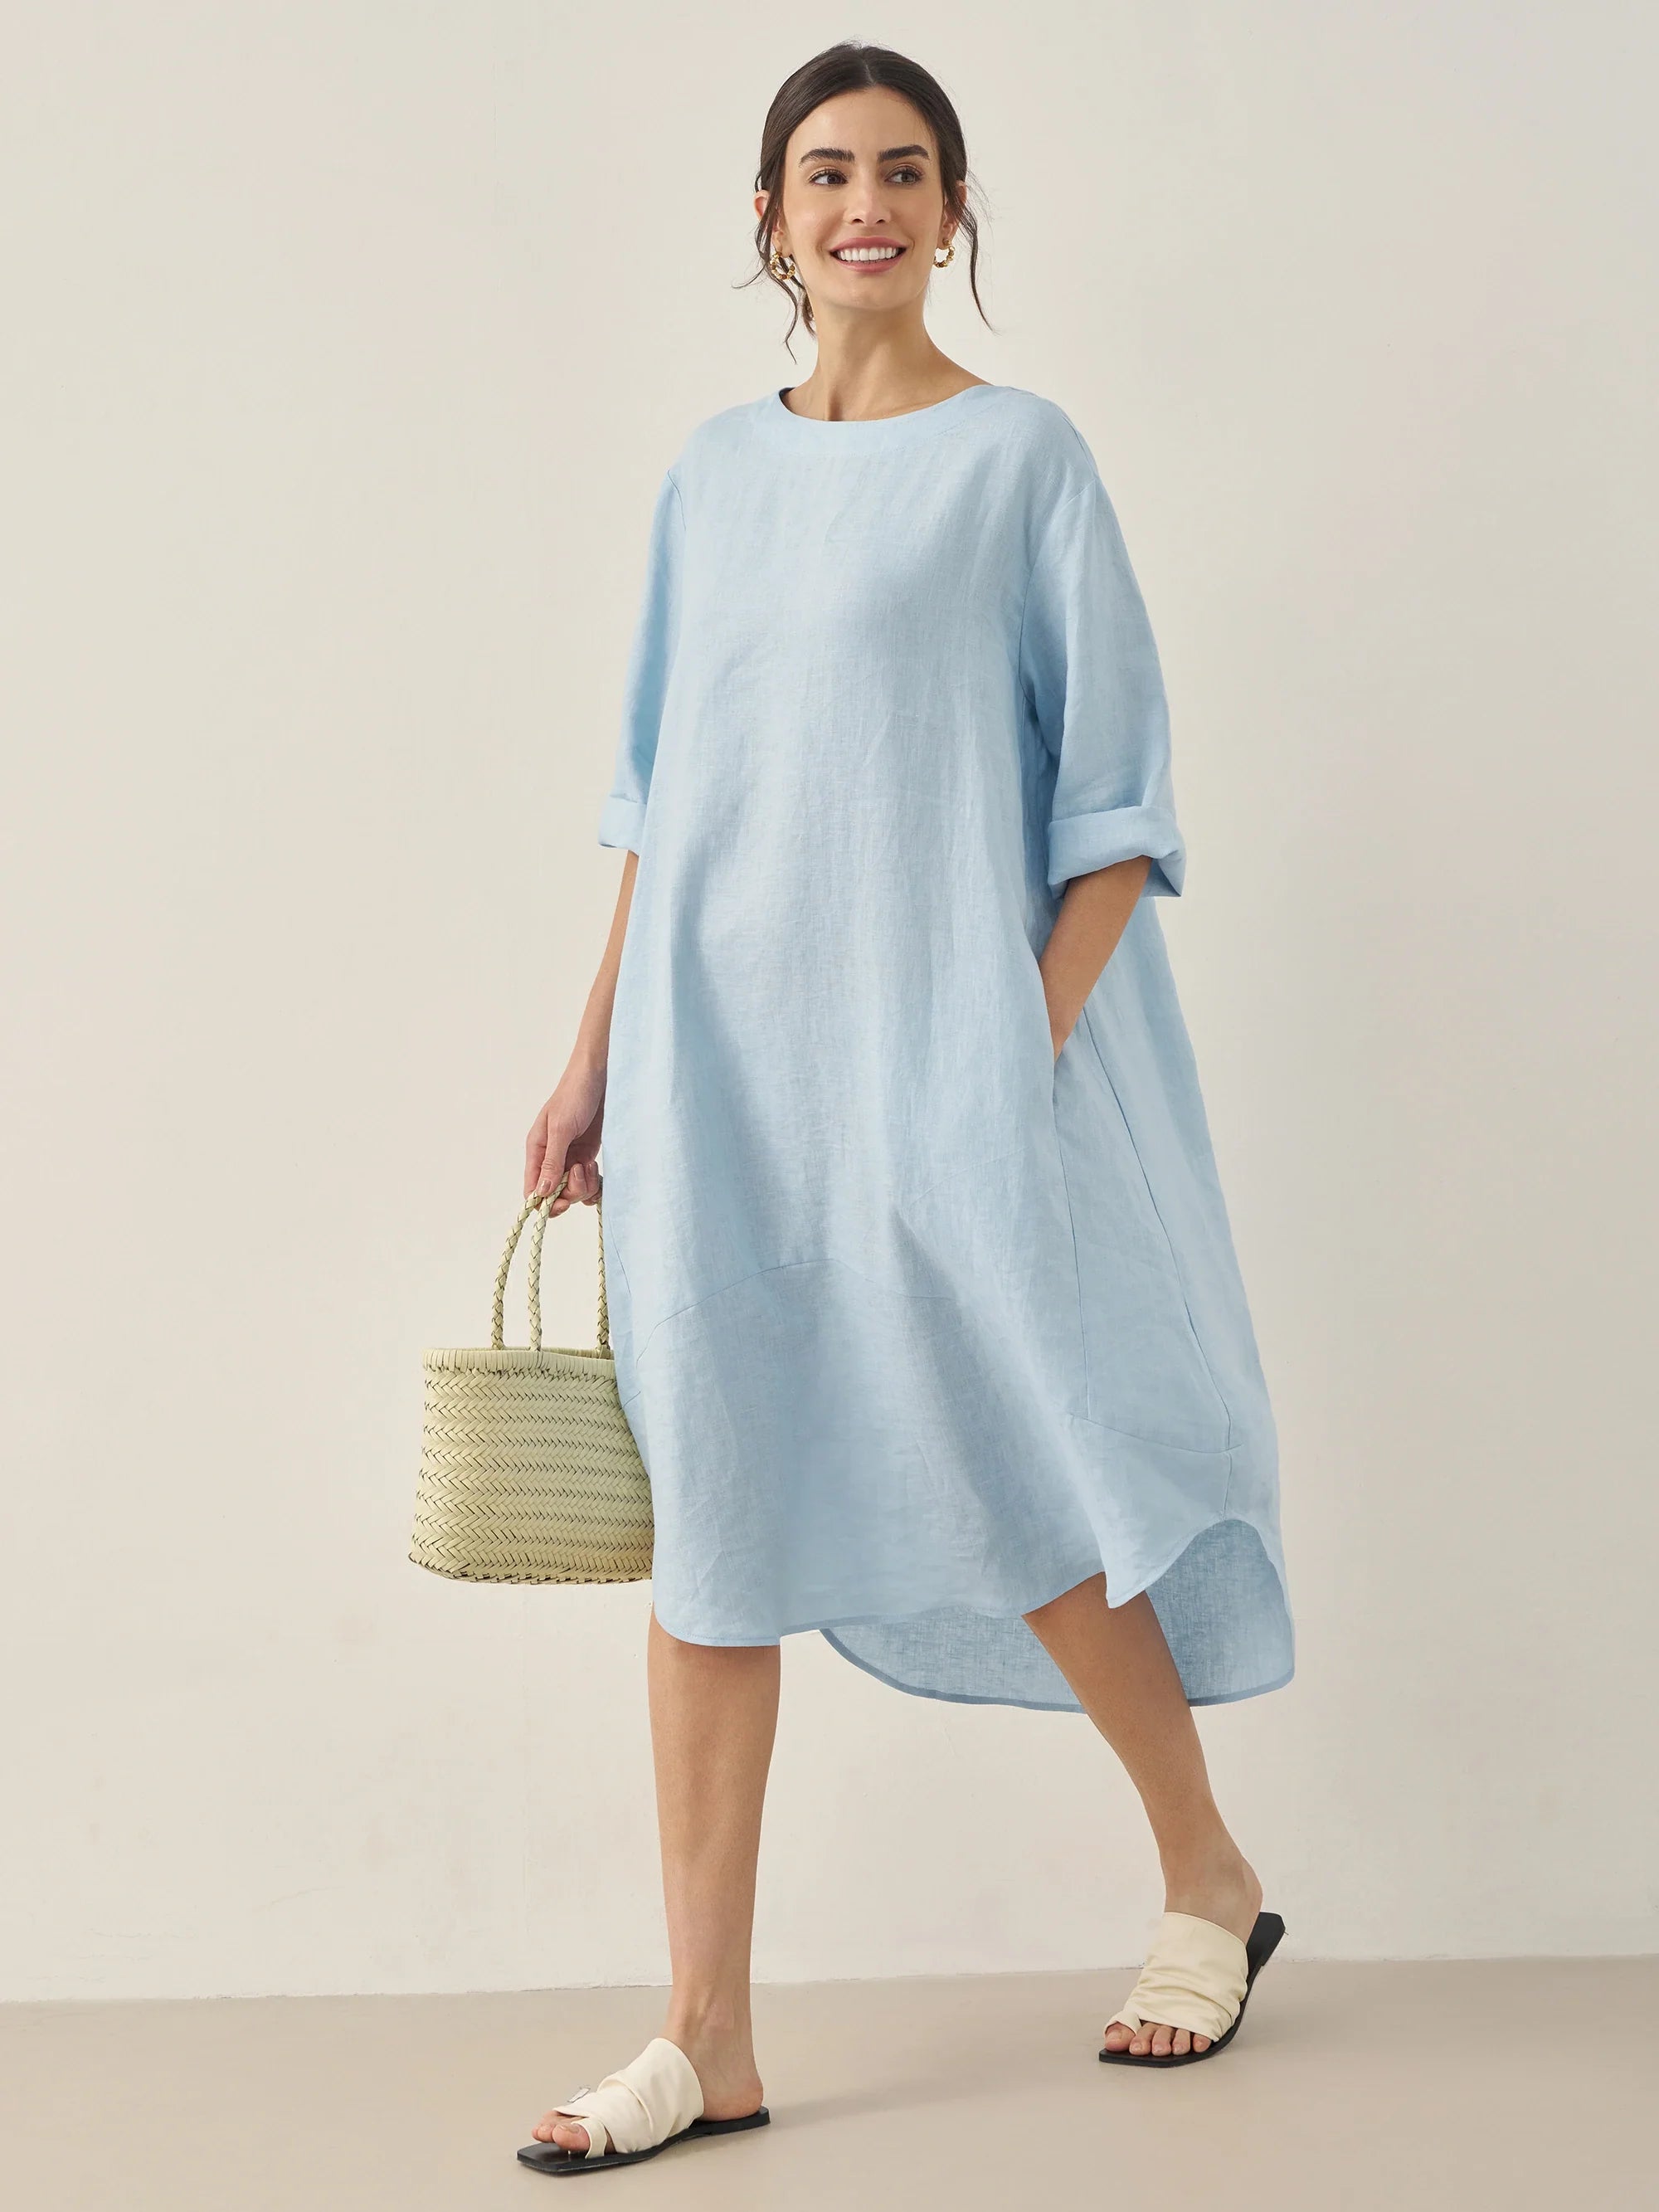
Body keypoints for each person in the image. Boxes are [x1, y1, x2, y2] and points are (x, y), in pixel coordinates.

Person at [517, 40, 1295, 2175]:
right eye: (826, 171)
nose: (865, 203)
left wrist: (1006, 1050)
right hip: (717, 1073)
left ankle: (1208, 1871)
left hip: (936, 1069)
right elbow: (662, 801)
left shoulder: (1021, 461)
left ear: (952, 214)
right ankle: (706, 2032)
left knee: (1011, 1466)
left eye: (905, 170)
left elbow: (1117, 808)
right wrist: (593, 1052)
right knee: (713, 1526)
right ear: (770, 218)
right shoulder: (709, 476)